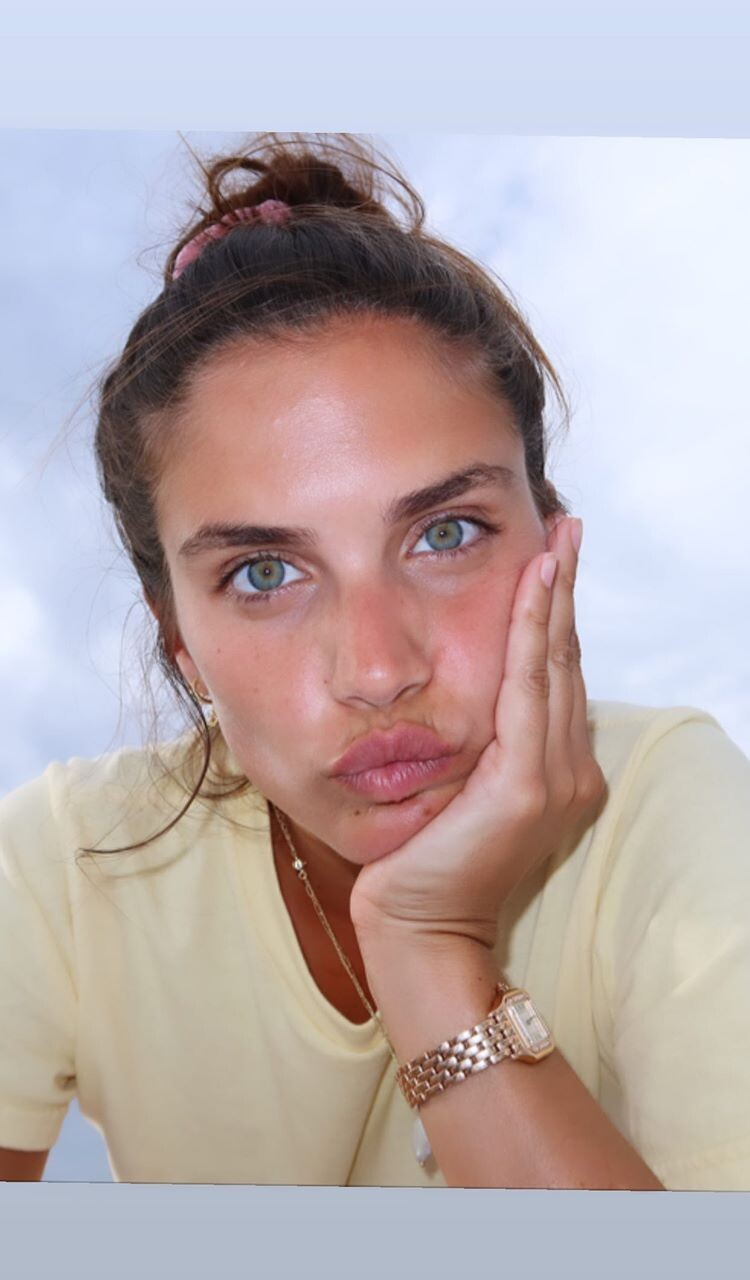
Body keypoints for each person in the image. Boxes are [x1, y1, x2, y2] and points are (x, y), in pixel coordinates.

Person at [1, 132, 748, 1189]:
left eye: (445, 533)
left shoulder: (669, 803)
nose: (378, 667)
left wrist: (429, 945)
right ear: (179, 639)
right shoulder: (68, 867)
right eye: (265, 573)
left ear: (554, 546)